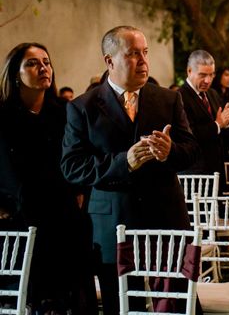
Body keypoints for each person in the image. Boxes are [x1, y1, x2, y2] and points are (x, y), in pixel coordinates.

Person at [61, 26, 200, 315]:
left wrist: (169, 152)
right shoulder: (82, 107)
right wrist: (124, 162)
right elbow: (72, 167)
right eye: (133, 54)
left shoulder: (168, 99)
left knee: (176, 302)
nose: (143, 61)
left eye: (145, 52)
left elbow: (191, 151)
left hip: (166, 217)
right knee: (121, 305)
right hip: (113, 222)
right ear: (109, 61)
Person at [0, 43, 96, 314]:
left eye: (46, 61)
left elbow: (80, 159)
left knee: (71, 296)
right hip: (22, 217)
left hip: (64, 215)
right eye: (32, 63)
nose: (43, 68)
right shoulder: (4, 116)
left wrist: (78, 193)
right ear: (16, 73)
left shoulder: (65, 112)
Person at [178, 50, 229, 188]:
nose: (207, 80)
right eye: (202, 75)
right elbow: (189, 135)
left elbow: (226, 133)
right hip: (195, 176)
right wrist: (218, 124)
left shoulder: (212, 94)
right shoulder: (179, 97)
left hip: (217, 169)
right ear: (189, 71)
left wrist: (228, 123)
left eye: (211, 75)